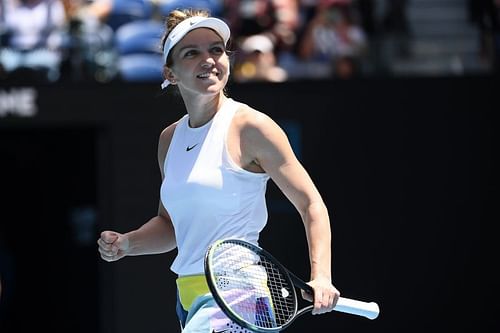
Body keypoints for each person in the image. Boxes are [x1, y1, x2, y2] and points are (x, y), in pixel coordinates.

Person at [97, 8, 339, 332]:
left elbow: (311, 205)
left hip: (239, 297)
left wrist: (321, 276)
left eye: (216, 49)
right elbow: (171, 226)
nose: (209, 59)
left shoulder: (251, 127)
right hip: (188, 301)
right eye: (192, 52)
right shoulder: (169, 140)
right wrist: (129, 243)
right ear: (170, 73)